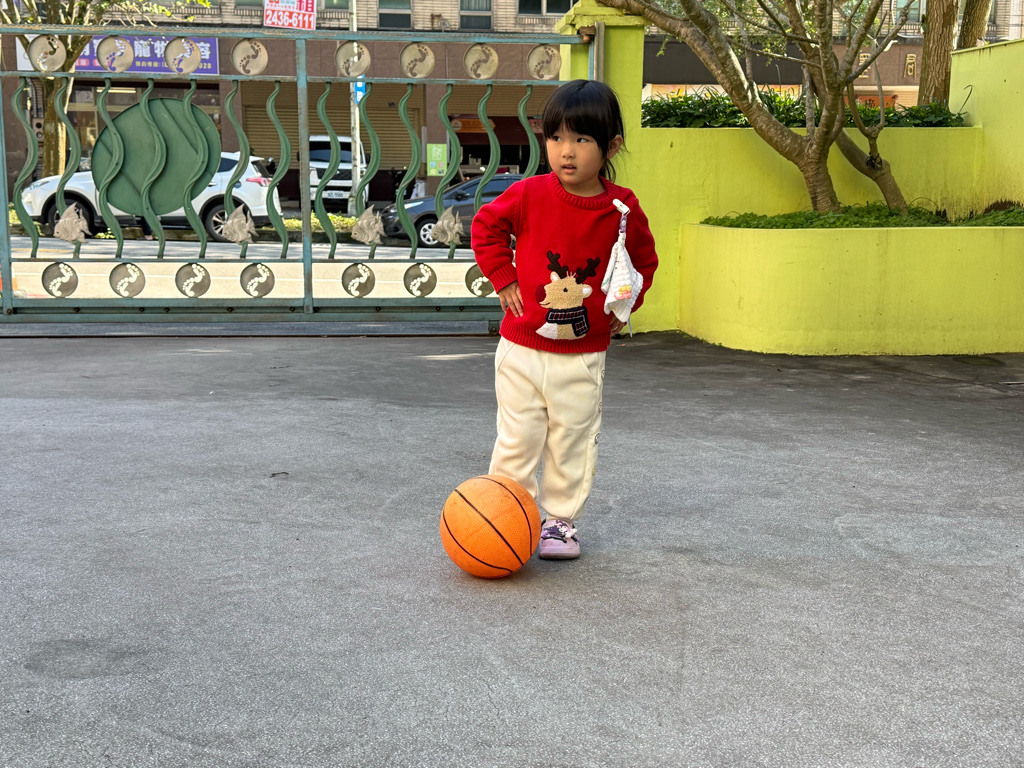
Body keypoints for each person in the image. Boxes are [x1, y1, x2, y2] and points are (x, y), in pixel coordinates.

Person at [471, 80, 659, 560]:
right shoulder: (529, 193)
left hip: (582, 356)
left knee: (572, 438)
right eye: (555, 137)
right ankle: (506, 514)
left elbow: (643, 262)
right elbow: (486, 227)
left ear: (611, 146)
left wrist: (624, 307)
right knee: (517, 436)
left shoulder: (621, 209)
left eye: (581, 139)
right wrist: (504, 278)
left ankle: (559, 523)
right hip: (521, 348)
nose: (566, 151)